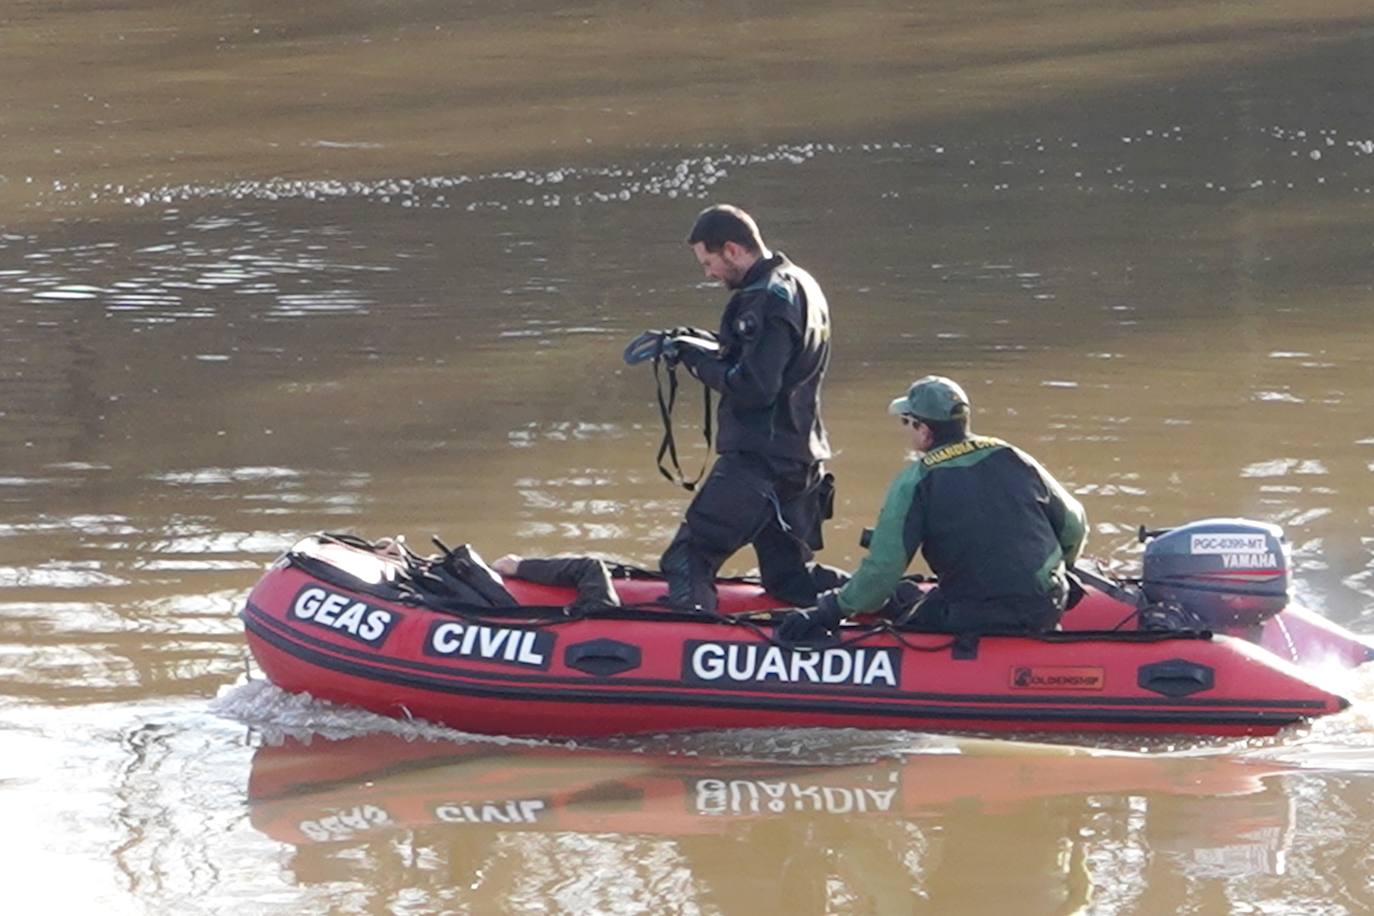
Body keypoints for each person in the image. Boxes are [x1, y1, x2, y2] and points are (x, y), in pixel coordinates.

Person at [779, 375, 1086, 641]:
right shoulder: (1014, 456)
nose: (906, 430)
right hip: (1046, 604)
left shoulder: (917, 480)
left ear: (924, 430)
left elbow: (883, 571)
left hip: (978, 614)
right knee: (915, 596)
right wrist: (1061, 570)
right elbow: (1075, 524)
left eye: (907, 422)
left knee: (907, 622)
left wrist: (829, 611)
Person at [654, 204, 834, 611]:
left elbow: (755, 387)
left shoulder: (763, 298)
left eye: (709, 262)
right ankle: (893, 601)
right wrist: (702, 343)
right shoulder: (802, 283)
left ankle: (692, 641)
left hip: (758, 463)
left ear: (732, 250)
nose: (709, 274)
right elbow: (772, 360)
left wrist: (694, 361)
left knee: (687, 557)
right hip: (801, 461)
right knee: (789, 579)